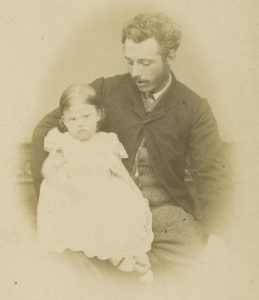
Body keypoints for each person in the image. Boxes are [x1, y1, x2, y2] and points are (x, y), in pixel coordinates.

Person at [31, 13, 231, 274]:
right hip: (105, 212)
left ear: (170, 57)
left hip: (165, 216)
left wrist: (217, 235)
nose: (135, 72)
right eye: (130, 62)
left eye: (145, 62)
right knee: (76, 271)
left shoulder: (194, 108)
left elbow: (212, 176)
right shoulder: (105, 90)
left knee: (202, 268)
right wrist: (58, 200)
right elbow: (45, 130)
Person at [37, 84, 154, 282]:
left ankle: (136, 257)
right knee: (91, 215)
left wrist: (134, 191)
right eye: (72, 119)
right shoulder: (64, 144)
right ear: (64, 121)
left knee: (125, 208)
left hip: (102, 188)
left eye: (86, 117)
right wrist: (66, 188)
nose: (80, 124)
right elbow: (47, 169)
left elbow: (119, 170)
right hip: (74, 192)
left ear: (99, 115)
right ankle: (118, 257)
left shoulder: (107, 141)